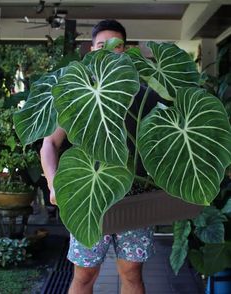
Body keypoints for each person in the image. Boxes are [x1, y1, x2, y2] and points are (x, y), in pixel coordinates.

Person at [40, 19, 155, 294]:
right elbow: (49, 145)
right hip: (88, 195)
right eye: (101, 45)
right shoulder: (78, 94)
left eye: (116, 46)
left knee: (132, 273)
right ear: (91, 51)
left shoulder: (144, 93)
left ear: (125, 51)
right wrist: (54, 184)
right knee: (85, 274)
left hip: (133, 194)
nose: (108, 51)